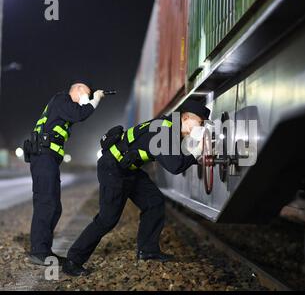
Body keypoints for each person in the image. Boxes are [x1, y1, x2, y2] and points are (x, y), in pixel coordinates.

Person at [62, 100, 210, 276]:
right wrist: (198, 151)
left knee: (154, 202)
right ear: (185, 118)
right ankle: (72, 260)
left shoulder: (168, 127)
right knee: (107, 219)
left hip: (127, 169)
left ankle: (148, 251)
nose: (200, 128)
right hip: (113, 168)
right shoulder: (164, 130)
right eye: (199, 123)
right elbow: (175, 166)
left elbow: (174, 159)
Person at [26, 82, 105, 265]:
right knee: (47, 203)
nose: (85, 98)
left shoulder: (63, 106)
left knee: (53, 206)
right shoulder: (61, 98)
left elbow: (77, 114)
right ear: (77, 89)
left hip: (47, 159)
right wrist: (95, 100)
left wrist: (89, 100)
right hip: (43, 157)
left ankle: (44, 249)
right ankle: (39, 251)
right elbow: (81, 114)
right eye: (85, 93)